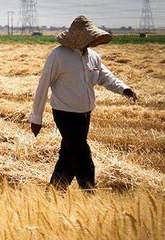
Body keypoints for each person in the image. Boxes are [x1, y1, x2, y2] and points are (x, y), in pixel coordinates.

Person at [29, 16, 137, 191]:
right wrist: (36, 118)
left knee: (68, 156)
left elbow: (105, 76)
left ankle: (54, 192)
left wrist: (123, 88)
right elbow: (43, 84)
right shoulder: (58, 55)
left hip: (85, 115)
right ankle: (89, 192)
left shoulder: (93, 57)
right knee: (82, 156)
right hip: (65, 114)